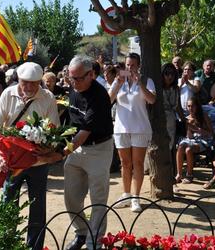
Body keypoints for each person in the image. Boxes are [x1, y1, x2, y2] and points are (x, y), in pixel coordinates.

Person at [0, 62, 60, 250]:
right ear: (18, 80)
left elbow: (54, 131)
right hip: (12, 163)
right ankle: (6, 245)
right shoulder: (7, 94)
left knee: (37, 209)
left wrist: (48, 149)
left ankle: (34, 247)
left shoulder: (48, 98)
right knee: (8, 206)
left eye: (33, 83)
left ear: (40, 82)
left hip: (38, 163)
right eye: (24, 82)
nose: (28, 87)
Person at [56, 55, 113, 250]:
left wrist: (60, 153)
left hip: (99, 148)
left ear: (91, 75)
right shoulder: (74, 89)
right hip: (77, 149)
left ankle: (93, 242)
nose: (74, 83)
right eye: (71, 78)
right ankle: (81, 233)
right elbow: (73, 126)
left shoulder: (99, 96)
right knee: (71, 197)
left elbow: (84, 132)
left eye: (78, 78)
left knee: (98, 199)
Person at [108, 53, 156, 213]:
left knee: (138, 164)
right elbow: (108, 100)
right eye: (127, 65)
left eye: (133, 65)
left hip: (140, 128)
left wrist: (140, 83)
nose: (130, 68)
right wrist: (117, 83)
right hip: (121, 128)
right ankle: (126, 195)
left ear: (139, 66)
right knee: (125, 164)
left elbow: (152, 100)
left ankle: (136, 198)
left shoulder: (147, 81)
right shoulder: (119, 81)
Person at [176, 96, 213, 184]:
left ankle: (189, 174)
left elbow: (211, 133)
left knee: (189, 149)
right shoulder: (187, 118)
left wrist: (198, 129)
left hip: (203, 140)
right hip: (191, 140)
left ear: (197, 106)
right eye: (188, 106)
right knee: (181, 146)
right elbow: (189, 137)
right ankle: (179, 174)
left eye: (192, 106)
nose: (190, 108)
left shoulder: (204, 116)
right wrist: (189, 128)